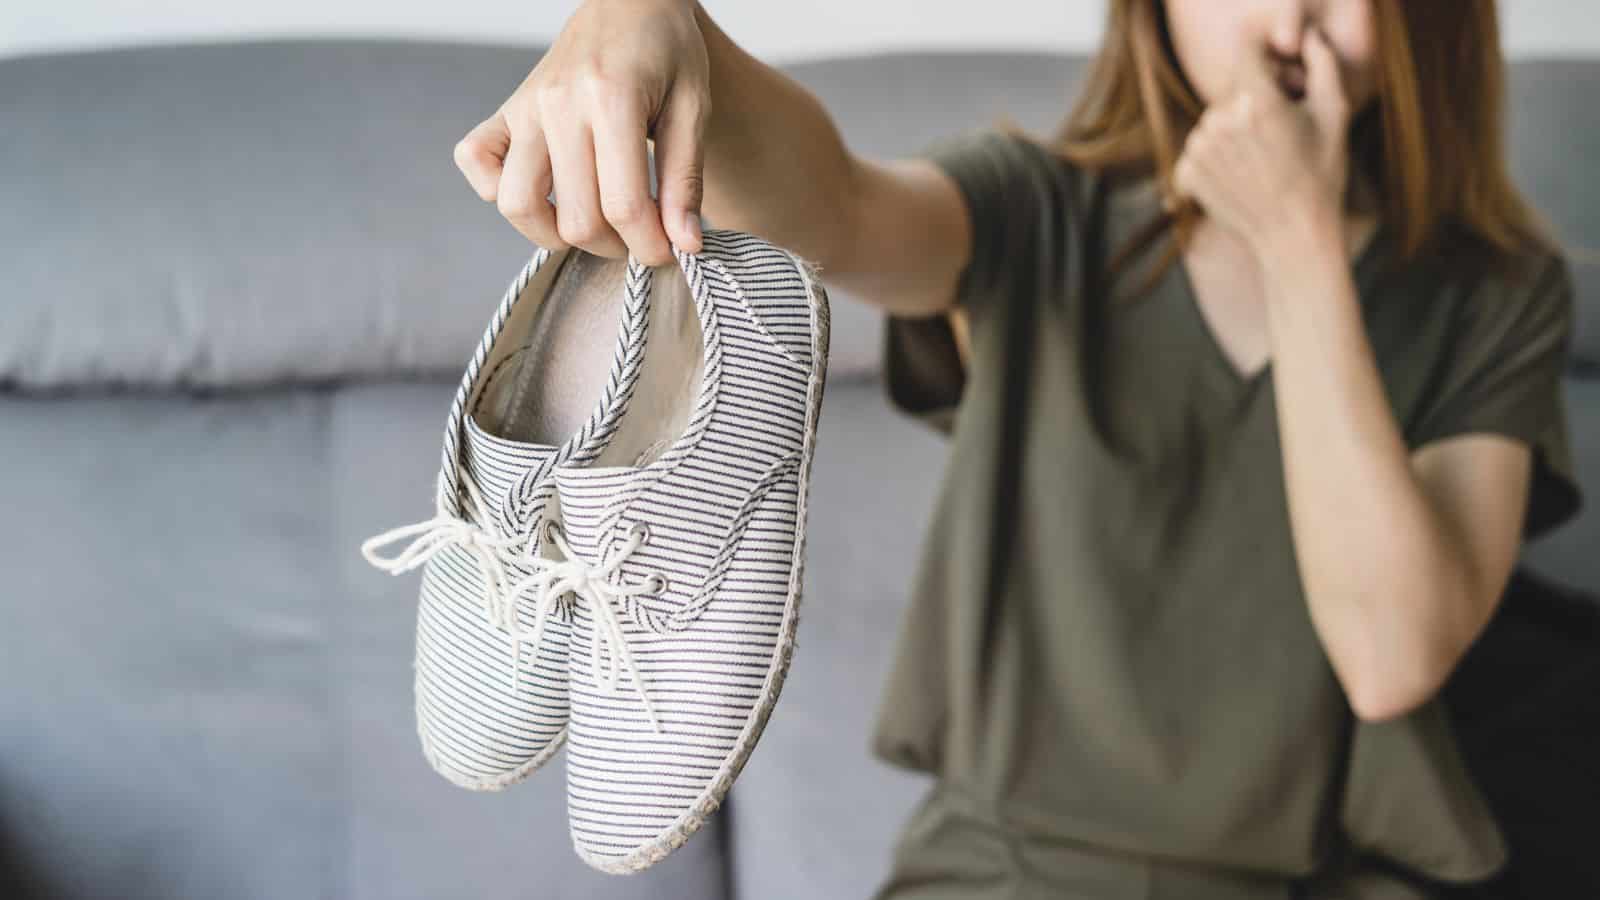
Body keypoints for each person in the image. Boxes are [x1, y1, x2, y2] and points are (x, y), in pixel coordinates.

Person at [452, 1, 1584, 897]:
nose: (1295, 16)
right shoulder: (1043, 210)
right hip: (1008, 879)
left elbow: (1392, 655)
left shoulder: (1494, 293)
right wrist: (656, 23)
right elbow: (835, 206)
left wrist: (1298, 242)